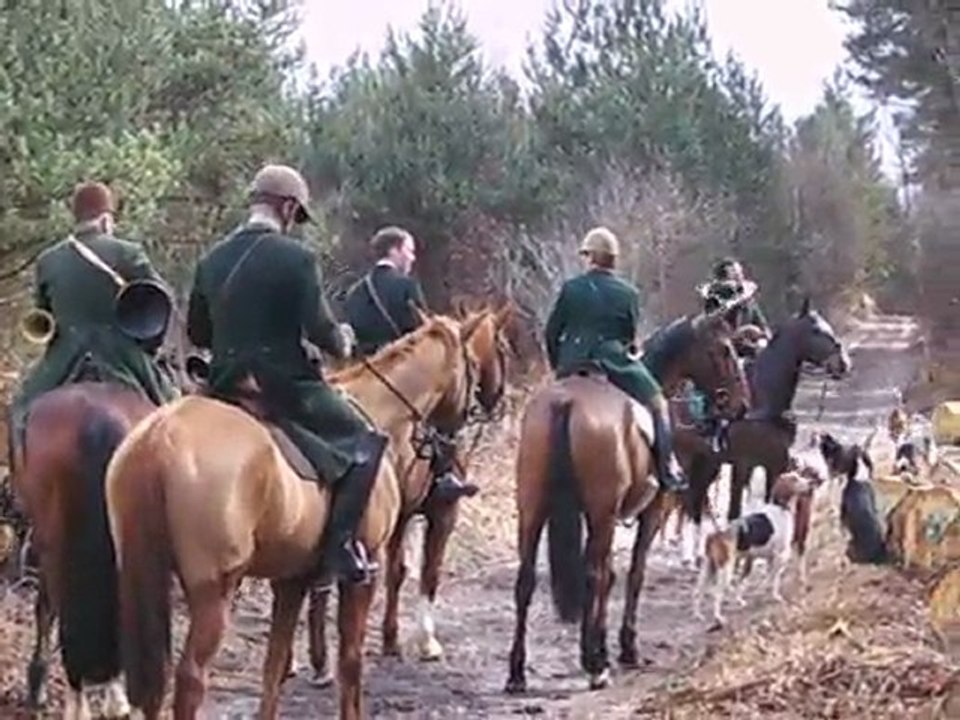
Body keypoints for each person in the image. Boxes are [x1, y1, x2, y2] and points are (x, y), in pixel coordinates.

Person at [185, 163, 384, 585]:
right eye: (298, 215)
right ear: (289, 208)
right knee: (365, 440)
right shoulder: (297, 258)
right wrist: (343, 341)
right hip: (282, 385)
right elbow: (318, 328)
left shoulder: (211, 259)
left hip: (222, 384)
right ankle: (340, 547)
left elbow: (196, 332)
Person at [9, 181, 178, 441]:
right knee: (173, 406)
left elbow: (44, 315)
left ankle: (15, 479)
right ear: (105, 220)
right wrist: (150, 347)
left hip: (64, 356)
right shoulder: (128, 253)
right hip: (120, 355)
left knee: (20, 409)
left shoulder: (48, 260)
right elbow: (161, 302)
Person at [544, 227, 687, 492]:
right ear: (613, 259)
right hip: (614, 362)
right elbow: (629, 339)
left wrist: (559, 367)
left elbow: (551, 333)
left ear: (590, 257)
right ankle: (667, 470)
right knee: (658, 404)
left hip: (572, 362)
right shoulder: (628, 293)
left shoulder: (571, 288)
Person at [343, 226, 478, 503]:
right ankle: (443, 476)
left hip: (366, 377)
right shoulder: (406, 287)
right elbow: (423, 335)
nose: (412, 258)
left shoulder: (355, 292)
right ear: (394, 250)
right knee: (444, 415)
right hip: (403, 378)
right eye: (409, 250)